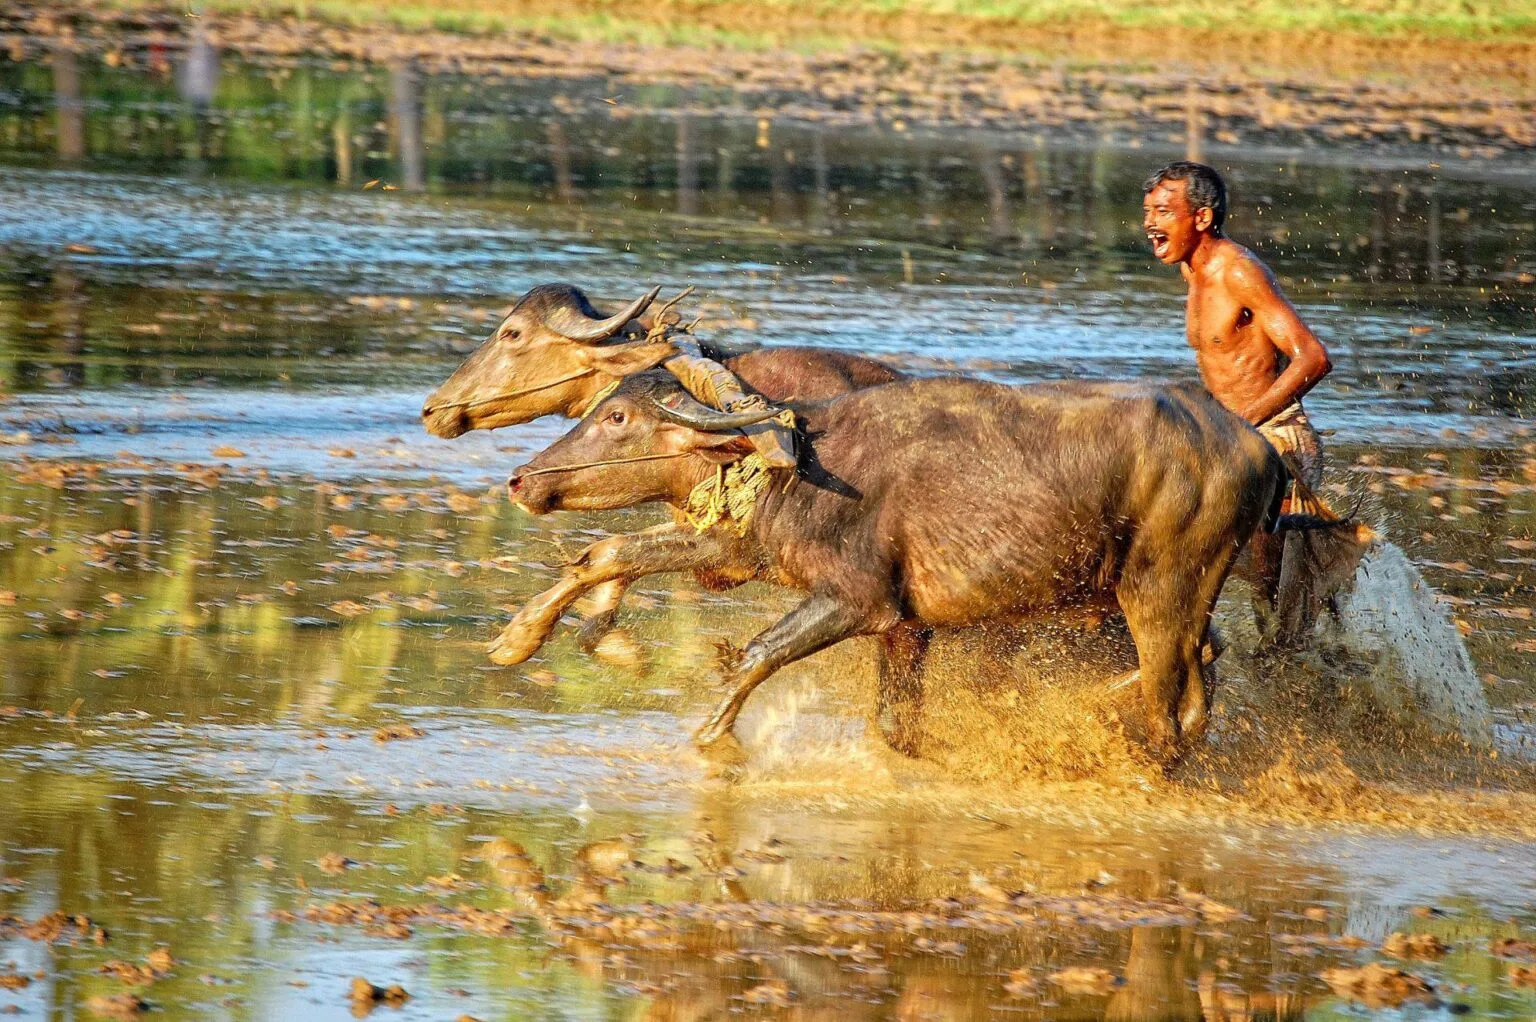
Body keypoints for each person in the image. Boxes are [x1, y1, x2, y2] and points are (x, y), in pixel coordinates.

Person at [1141, 161, 1333, 613]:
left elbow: (1314, 357)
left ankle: (1312, 662)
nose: (1151, 223)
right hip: (1229, 439)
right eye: (1148, 211)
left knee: (1271, 595)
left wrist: (1243, 425)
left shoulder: (1238, 272)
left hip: (1276, 438)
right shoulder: (1193, 271)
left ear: (1202, 218)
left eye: (1165, 212)